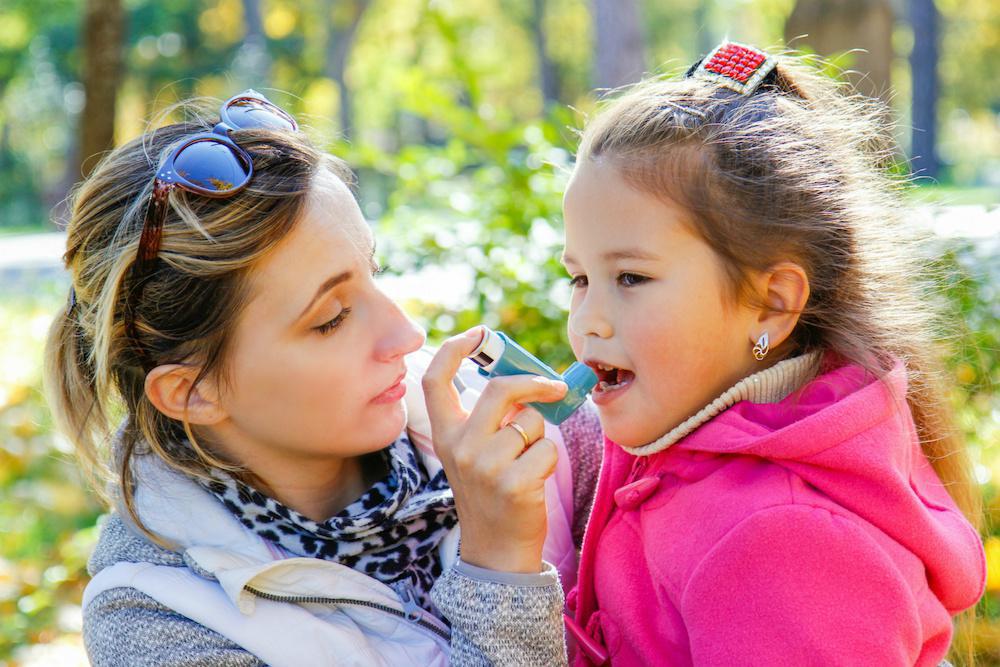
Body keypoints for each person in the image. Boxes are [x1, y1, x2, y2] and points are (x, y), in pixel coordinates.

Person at [423, 43, 986, 666]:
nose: (588, 320)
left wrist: (501, 569)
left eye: (631, 278)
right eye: (579, 279)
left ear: (771, 304)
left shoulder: (784, 544)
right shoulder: (676, 429)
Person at [44, 90, 602, 666]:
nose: (409, 336)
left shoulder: (526, 428)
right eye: (331, 319)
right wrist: (498, 566)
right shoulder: (161, 621)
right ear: (192, 391)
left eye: (374, 272)